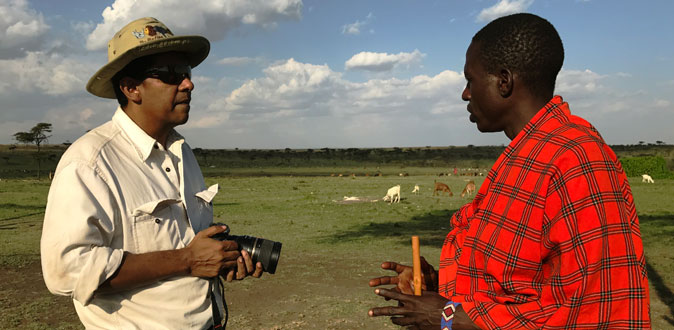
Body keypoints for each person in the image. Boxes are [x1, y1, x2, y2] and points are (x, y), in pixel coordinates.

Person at [368, 13, 651, 329]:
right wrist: (436, 285)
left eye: (470, 80)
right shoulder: (524, 157)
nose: (465, 94)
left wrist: (445, 315)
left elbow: (596, 310)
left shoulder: (577, 160)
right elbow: (513, 282)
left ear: (504, 81)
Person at [41, 17, 262, 329]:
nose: (188, 84)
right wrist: (188, 260)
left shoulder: (182, 151)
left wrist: (218, 259)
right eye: (171, 75)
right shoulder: (89, 162)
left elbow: (183, 244)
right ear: (131, 88)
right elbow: (67, 271)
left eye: (186, 74)